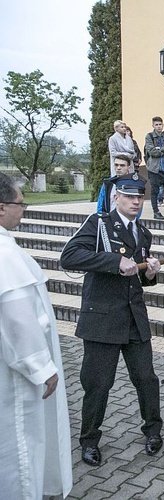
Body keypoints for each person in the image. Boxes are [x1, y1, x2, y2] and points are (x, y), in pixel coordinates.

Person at [59, 173, 164, 467]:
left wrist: (150, 272)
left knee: (146, 379)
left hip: (133, 319)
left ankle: (153, 430)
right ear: (116, 197)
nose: (135, 201)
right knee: (98, 385)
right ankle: (89, 440)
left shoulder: (143, 233)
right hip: (103, 320)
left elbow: (139, 277)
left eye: (139, 196)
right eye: (129, 196)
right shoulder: (99, 225)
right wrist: (113, 261)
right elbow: (69, 257)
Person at [0, 173, 73, 500]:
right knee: (19, 448)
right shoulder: (5, 256)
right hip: (14, 378)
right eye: (20, 202)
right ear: (2, 208)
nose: (24, 209)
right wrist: (42, 368)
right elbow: (17, 317)